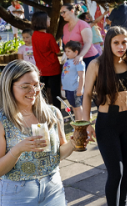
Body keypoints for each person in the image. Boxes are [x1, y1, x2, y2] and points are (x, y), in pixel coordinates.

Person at [0, 60, 88, 205]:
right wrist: (18, 149)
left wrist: (73, 143)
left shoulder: (52, 113)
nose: (33, 91)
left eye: (36, 85)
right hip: (17, 191)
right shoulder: (3, 121)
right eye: (25, 86)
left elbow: (57, 155)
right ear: (9, 87)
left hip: (53, 186)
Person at [82, 26, 127, 206]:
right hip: (107, 123)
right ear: (107, 43)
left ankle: (123, 203)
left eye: (123, 42)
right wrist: (86, 123)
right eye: (116, 42)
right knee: (116, 172)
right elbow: (87, 94)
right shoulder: (96, 65)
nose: (120, 46)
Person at [31, 11, 62, 110]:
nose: (49, 20)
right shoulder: (49, 37)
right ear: (43, 22)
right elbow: (57, 51)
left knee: (43, 93)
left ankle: (44, 111)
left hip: (41, 69)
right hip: (53, 68)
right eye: (48, 19)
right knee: (55, 93)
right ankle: (58, 113)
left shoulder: (34, 35)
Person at [60, 3, 99, 68]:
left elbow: (88, 43)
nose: (62, 15)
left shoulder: (83, 25)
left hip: (89, 58)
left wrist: (80, 56)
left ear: (72, 11)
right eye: (61, 13)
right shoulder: (65, 27)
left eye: (63, 12)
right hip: (74, 60)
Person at [61, 41, 86, 120]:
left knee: (77, 107)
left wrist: (80, 89)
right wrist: (63, 85)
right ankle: (77, 122)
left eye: (69, 51)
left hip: (75, 89)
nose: (66, 53)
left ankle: (80, 125)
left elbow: (82, 76)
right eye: (65, 51)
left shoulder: (78, 62)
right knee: (73, 107)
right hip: (68, 89)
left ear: (76, 52)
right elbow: (65, 75)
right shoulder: (67, 61)